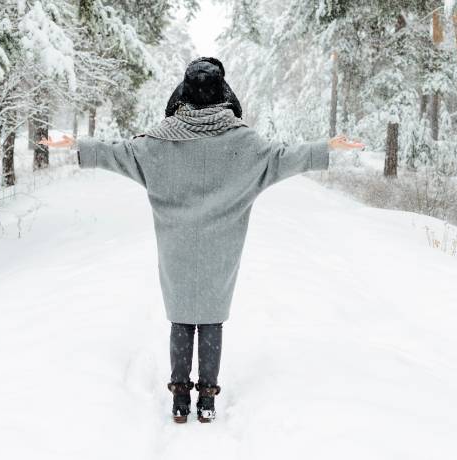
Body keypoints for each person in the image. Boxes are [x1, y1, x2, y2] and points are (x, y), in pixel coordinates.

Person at [41, 57, 364, 424]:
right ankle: (207, 400)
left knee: (180, 320)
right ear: (222, 94)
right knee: (211, 320)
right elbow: (284, 157)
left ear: (184, 93)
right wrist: (328, 146)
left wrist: (75, 143)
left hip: (176, 248)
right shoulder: (245, 143)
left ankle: (180, 398)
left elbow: (115, 152)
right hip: (220, 250)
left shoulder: (157, 142)